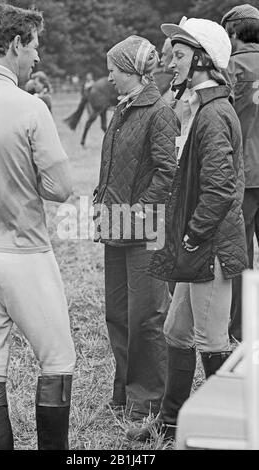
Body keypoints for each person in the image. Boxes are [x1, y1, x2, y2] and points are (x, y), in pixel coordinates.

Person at [127, 17, 248, 442]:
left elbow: (218, 189)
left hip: (209, 245)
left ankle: (227, 430)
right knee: (177, 333)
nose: (170, 62)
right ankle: (171, 420)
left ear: (202, 60)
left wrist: (193, 234)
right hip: (196, 245)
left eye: (178, 55)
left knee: (212, 341)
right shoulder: (201, 106)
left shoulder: (214, 114)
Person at [0, 3, 76, 450]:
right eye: (35, 46)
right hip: (22, 251)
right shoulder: (30, 107)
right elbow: (62, 188)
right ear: (14, 45)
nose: (38, 58)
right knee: (58, 359)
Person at [93, 35, 178, 420]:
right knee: (118, 313)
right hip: (116, 227)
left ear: (130, 70)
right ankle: (125, 393)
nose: (108, 76)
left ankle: (147, 400)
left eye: (112, 69)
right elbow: (113, 163)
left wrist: (138, 213)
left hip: (145, 230)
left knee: (146, 316)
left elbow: (167, 173)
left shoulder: (158, 111)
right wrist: (101, 198)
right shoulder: (122, 109)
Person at [221, 3, 259, 342]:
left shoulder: (231, 68)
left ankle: (240, 328)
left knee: (240, 255)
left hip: (245, 174)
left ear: (233, 33)